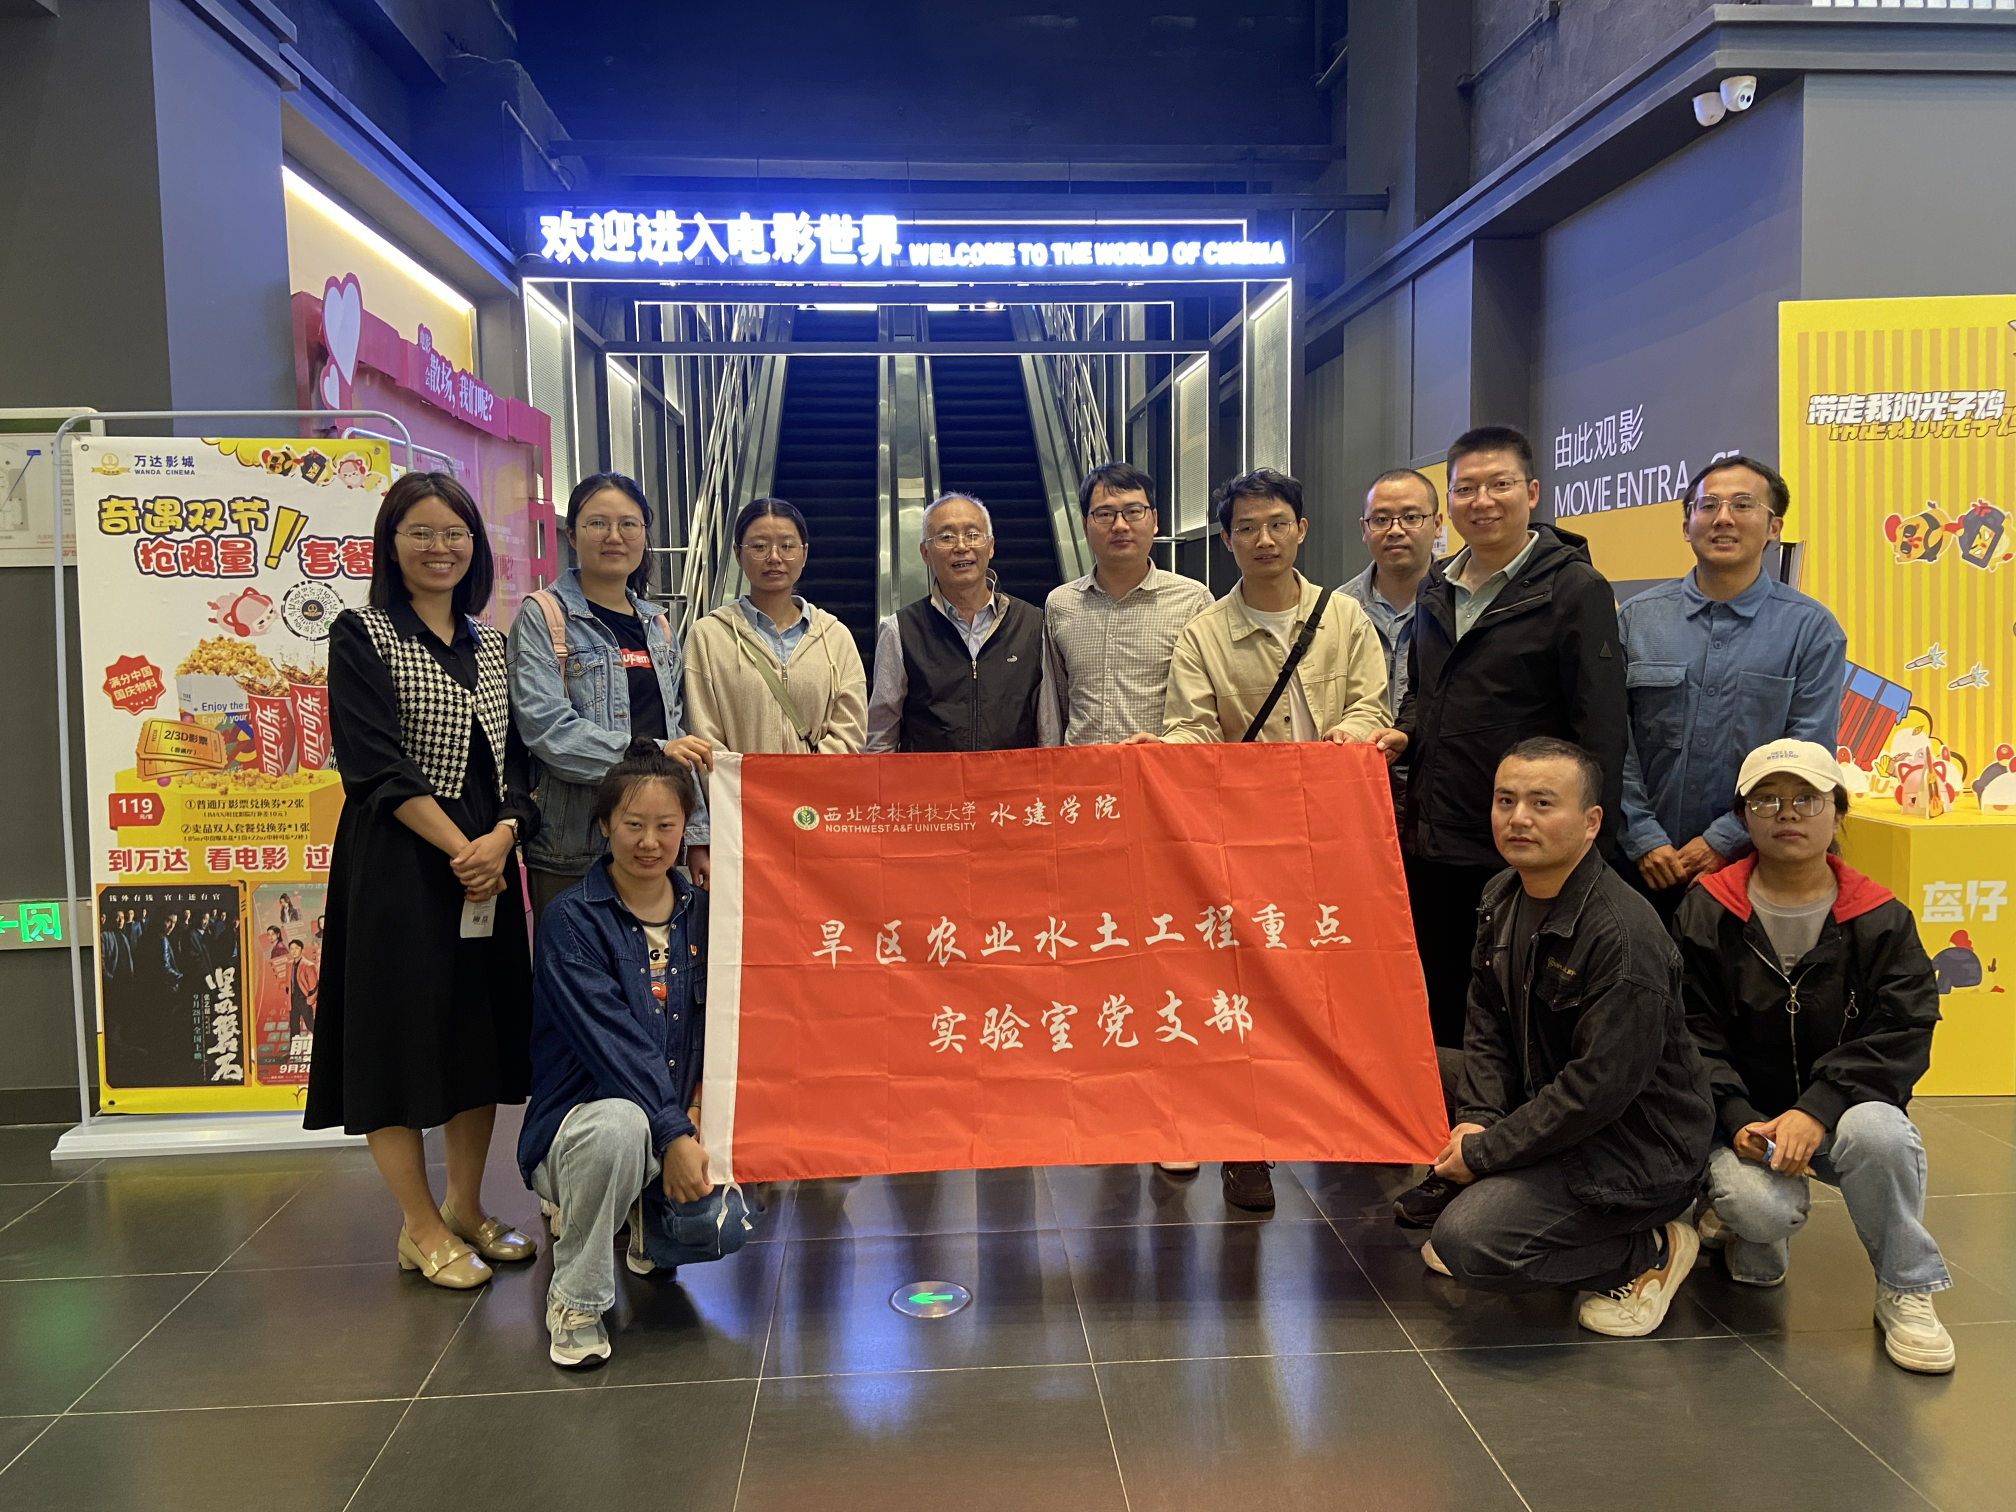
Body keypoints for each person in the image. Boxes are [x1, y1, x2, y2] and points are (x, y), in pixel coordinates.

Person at [305, 471, 541, 1292]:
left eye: (455, 534)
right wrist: (462, 849)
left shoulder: (492, 644)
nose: (440, 548)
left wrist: (502, 836)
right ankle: (418, 1226)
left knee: (478, 1035)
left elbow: (520, 765)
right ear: (391, 544)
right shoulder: (362, 633)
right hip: (402, 867)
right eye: (422, 533)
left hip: (487, 864)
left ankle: (465, 1205)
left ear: (475, 546)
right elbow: (373, 765)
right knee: (397, 1040)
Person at [1136, 468, 1391, 1212]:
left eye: (1278, 523)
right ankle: (1246, 1147)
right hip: (1240, 842)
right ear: (1226, 540)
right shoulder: (1204, 633)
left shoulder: (1345, 619)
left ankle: (1341, 1121)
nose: (1264, 539)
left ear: (1302, 529)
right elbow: (1191, 725)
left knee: (1332, 983)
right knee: (1237, 990)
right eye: (1246, 528)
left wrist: (1348, 740)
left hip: (1333, 835)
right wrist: (1165, 751)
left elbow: (1371, 706)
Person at [1419, 739, 1715, 1337]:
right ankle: (1510, 1196)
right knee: (1412, 1070)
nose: (1518, 818)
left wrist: (1485, 1153)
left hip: (1635, 1149)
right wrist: (1477, 1119)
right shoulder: (1502, 893)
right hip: (1551, 1104)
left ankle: (1649, 1251)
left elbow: (1595, 1093)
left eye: (1542, 803)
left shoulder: (1623, 937)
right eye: (1506, 800)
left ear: (1591, 822)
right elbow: (1487, 1020)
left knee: (1469, 1243)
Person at [1676, 740, 1954, 1372]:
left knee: (1882, 1133)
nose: (1787, 814)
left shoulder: (1881, 918)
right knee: (1758, 1210)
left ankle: (1907, 1287)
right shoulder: (1706, 909)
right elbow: (1687, 1031)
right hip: (1746, 1121)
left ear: (1838, 812)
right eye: (1766, 800)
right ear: (1743, 817)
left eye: (1807, 799)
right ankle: (1746, 1224)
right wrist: (1737, 1117)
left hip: (1844, 1113)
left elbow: (1904, 1029)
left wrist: (1819, 1108)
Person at [1369, 427, 1628, 1062]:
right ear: (1449, 503)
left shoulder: (1574, 589)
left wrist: (1589, 846)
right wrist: (1406, 731)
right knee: (1442, 1001)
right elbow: (1425, 693)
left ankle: (1512, 1118)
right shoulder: (1437, 586)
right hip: (1437, 838)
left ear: (1531, 492)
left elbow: (1600, 728)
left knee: (1519, 1010)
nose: (1483, 501)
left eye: (1500, 484)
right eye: (1466, 488)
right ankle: (1450, 1113)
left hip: (1521, 843)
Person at [520, 738, 754, 1368]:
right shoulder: (571, 921)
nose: (649, 842)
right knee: (620, 1126)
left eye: (666, 826)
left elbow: (724, 1028)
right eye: (633, 825)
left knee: (717, 1225)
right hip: (582, 1129)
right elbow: (613, 1045)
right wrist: (675, 1132)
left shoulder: (707, 916)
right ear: (604, 826)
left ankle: (651, 1223)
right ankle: (576, 1299)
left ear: (686, 829)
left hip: (676, 1121)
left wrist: (701, 1112)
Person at [1619, 457, 1847, 919]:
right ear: (1686, 525)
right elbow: (1610, 740)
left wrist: (1724, 840)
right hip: (1639, 868)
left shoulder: (1811, 629)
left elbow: (1808, 754)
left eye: (1743, 505)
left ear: (1773, 527)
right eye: (1708, 506)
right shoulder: (1636, 620)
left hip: (1760, 869)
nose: (1723, 518)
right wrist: (1642, 835)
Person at [507, 473, 713, 918]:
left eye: (629, 524)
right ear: (572, 534)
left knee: (656, 962)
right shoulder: (544, 616)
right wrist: (652, 751)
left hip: (655, 847)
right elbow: (548, 732)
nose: (614, 536)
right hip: (574, 850)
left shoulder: (658, 626)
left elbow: (680, 736)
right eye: (598, 523)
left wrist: (696, 838)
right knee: (574, 962)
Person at [1040, 462, 1212, 747]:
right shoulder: (1060, 604)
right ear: (1085, 526)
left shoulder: (1192, 601)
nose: (1120, 525)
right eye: (1105, 514)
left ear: (1154, 520)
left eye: (1133, 512)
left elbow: (1206, 710)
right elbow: (1057, 706)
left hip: (1156, 768)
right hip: (1081, 770)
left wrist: (1168, 746)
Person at [866, 492, 1052, 752]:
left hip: (1011, 777)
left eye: (973, 534)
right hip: (931, 779)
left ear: (991, 545)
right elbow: (881, 739)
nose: (961, 546)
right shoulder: (900, 630)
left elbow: (1048, 732)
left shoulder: (1032, 624)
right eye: (946, 537)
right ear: (925, 553)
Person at [683, 498, 867, 755]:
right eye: (759, 546)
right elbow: (703, 737)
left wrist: (802, 776)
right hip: (735, 782)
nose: (774, 557)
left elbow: (851, 732)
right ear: (738, 554)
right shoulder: (706, 636)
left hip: (819, 782)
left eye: (787, 546)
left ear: (804, 553)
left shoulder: (836, 637)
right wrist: (751, 778)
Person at [1341, 468, 1440, 748]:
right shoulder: (1338, 610)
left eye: (1411, 517)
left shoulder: (1459, 603)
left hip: (1433, 765)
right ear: (1364, 529)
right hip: (1358, 764)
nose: (1395, 530)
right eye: (1381, 520)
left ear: (1437, 524)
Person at [285, 937, 318, 1039]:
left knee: (310, 1024)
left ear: (301, 949)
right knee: (294, 1026)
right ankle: (293, 1048)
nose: (294, 951)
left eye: (296, 948)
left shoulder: (309, 965)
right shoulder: (289, 964)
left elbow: (314, 986)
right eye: (291, 948)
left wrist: (309, 1001)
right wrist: (288, 997)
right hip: (292, 1000)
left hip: (304, 999)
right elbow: (288, 983)